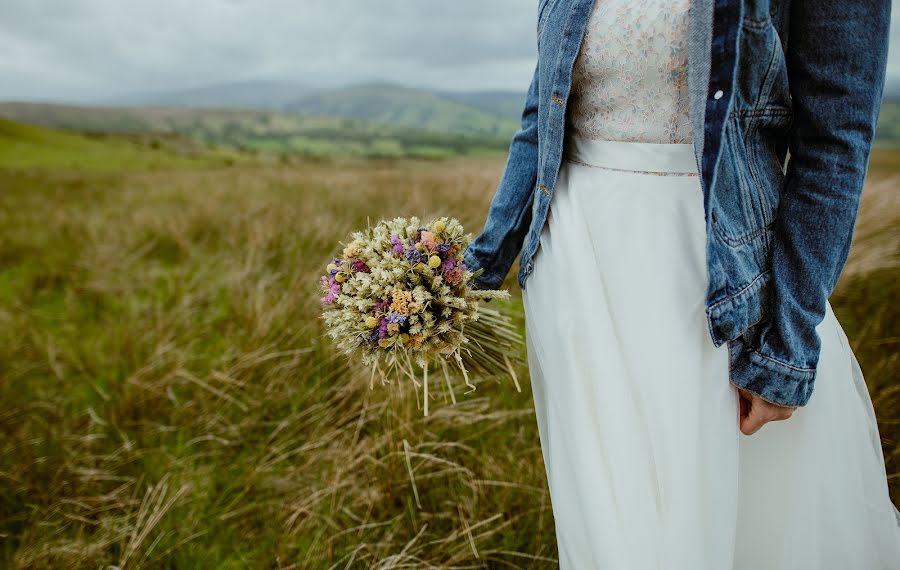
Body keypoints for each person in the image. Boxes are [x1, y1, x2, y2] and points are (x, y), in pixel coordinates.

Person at [462, 0, 900, 567]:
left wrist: (783, 349)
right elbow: (542, 116)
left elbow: (833, 145)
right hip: (575, 276)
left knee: (728, 527)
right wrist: (468, 275)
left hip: (716, 284)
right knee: (612, 526)